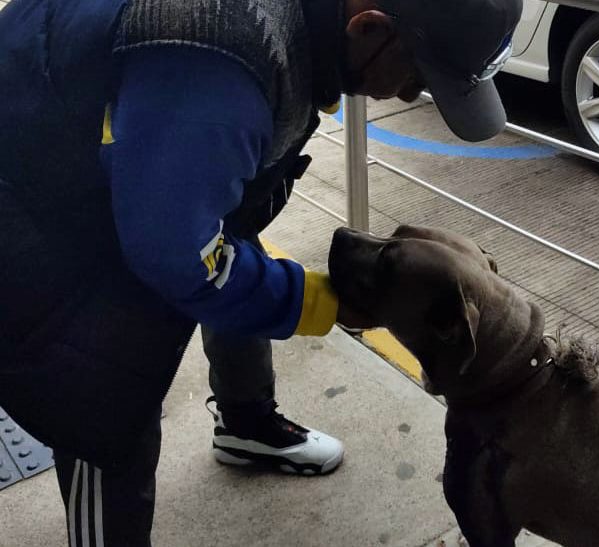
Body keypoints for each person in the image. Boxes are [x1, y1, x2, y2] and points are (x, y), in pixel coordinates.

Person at [0, 0, 521, 543]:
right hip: (32, 180)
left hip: (139, 129)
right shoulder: (214, 65)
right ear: (368, 27)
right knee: (100, 396)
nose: (411, 95)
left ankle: (245, 423)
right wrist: (317, 301)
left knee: (234, 239)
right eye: (416, 75)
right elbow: (178, 255)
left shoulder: (299, 37)